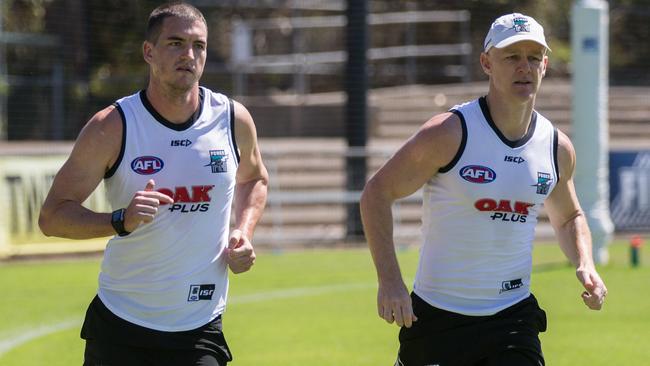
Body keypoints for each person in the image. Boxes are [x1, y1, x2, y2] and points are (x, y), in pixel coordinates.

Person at [360, 13, 607, 366]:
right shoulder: (448, 133)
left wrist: (586, 262)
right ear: (487, 63)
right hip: (438, 318)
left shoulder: (556, 147)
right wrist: (390, 282)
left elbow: (569, 217)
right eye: (512, 57)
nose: (525, 67)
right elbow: (376, 195)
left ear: (545, 65)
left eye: (534, 58)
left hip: (512, 319)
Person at [39, 3, 268, 365]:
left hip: (200, 329)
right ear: (149, 52)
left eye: (199, 45)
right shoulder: (111, 127)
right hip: (122, 326)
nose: (189, 55)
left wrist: (244, 230)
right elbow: (52, 217)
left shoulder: (232, 119)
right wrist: (120, 221)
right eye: (176, 43)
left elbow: (254, 177)